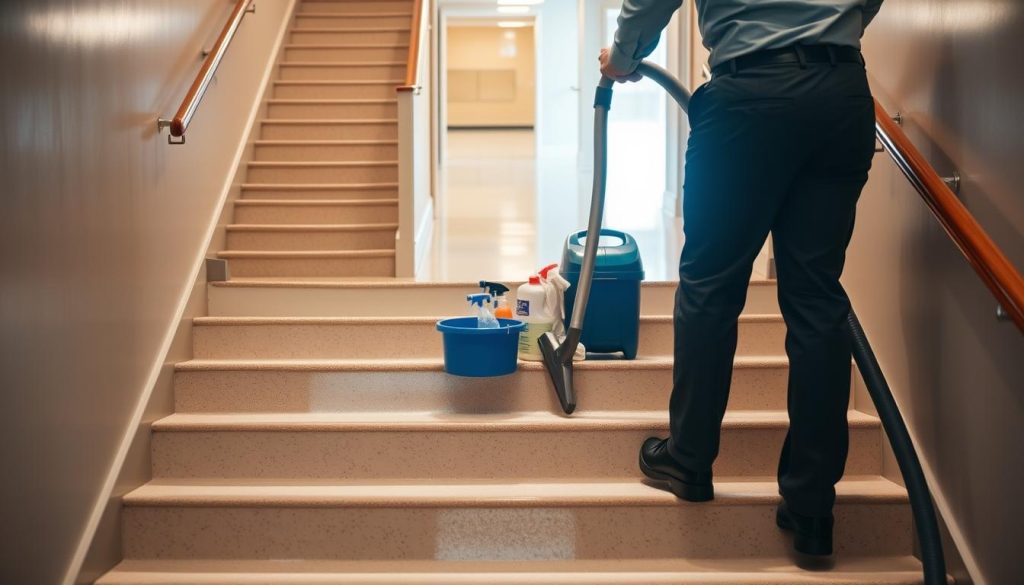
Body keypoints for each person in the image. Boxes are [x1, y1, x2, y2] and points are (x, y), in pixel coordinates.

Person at [600, 0, 884, 557]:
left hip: (748, 95)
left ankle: (689, 458)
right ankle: (812, 507)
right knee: (818, 300)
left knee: (710, 287)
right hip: (841, 96)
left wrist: (626, 54)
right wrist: (831, 32)